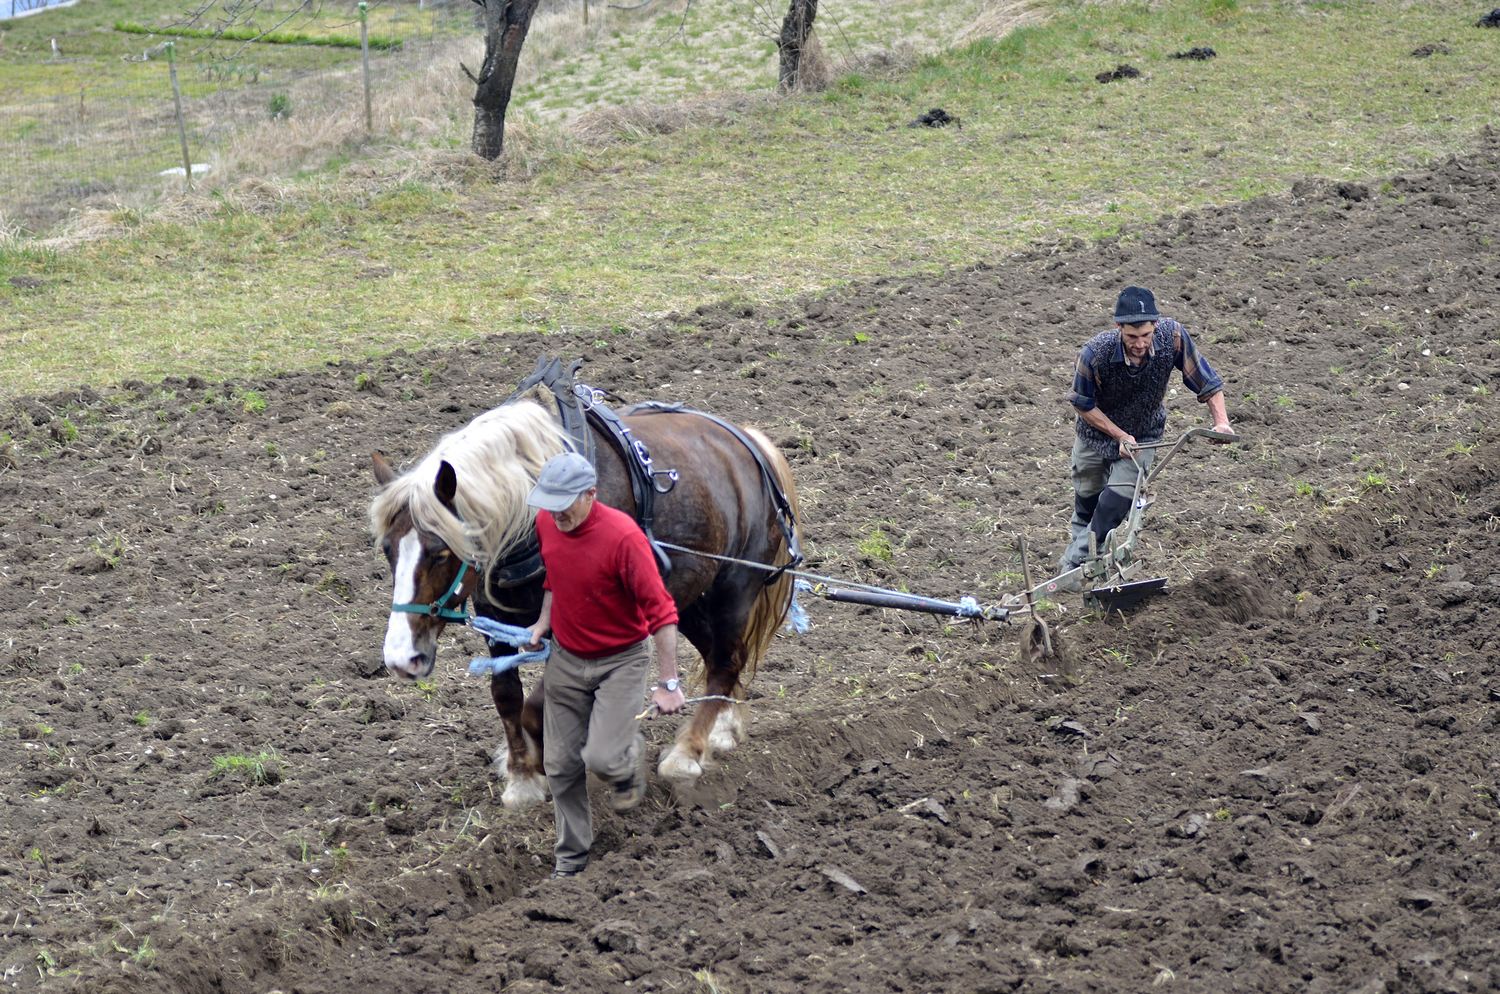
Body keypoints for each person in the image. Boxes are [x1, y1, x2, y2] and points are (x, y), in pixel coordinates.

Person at [523, 451, 686, 879]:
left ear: (591, 495)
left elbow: (663, 612)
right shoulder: (547, 522)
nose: (554, 512)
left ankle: (625, 760)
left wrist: (668, 682)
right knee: (558, 764)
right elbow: (554, 575)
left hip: (622, 659)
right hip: (568, 658)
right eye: (548, 502)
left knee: (602, 757)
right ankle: (572, 860)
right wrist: (544, 621)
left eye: (564, 503)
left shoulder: (622, 537)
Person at [1059, 285, 1232, 572]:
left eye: (1145, 335)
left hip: (1143, 435)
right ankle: (1087, 564)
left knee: (1115, 503)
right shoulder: (1094, 354)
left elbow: (1208, 382)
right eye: (1131, 337)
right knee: (1088, 504)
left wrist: (1221, 422)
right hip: (1095, 435)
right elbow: (1083, 404)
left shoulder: (1172, 337)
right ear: (1118, 328)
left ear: (1156, 325)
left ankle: (1072, 567)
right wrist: (1119, 435)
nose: (1139, 344)